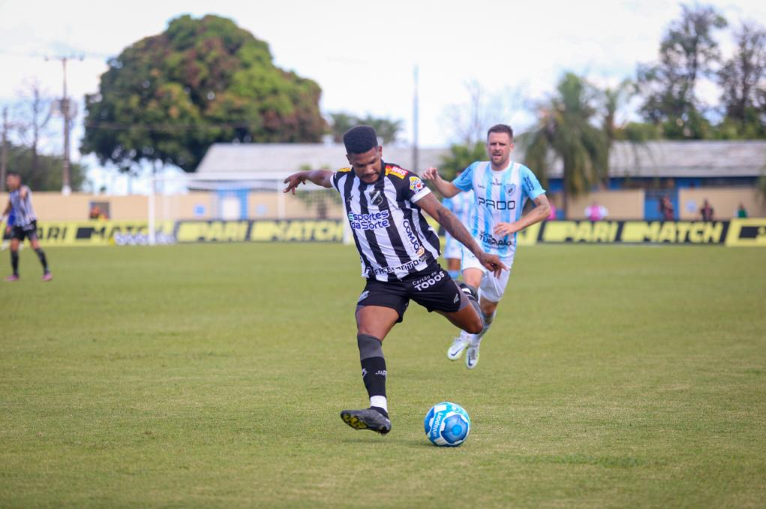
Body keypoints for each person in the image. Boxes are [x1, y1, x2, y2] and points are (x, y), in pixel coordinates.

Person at [283, 125, 506, 435]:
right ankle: (379, 410)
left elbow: (442, 214)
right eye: (360, 165)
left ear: (381, 153)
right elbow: (325, 176)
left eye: (373, 161)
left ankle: (465, 288)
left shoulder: (403, 180)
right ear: (350, 160)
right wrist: (305, 175)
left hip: (424, 273)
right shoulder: (346, 179)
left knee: (474, 325)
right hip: (383, 282)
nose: (368, 169)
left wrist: (479, 254)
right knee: (367, 332)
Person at [422, 124, 550, 369]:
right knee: (470, 283)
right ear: (487, 145)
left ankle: (477, 339)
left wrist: (515, 226)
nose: (497, 148)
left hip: (504, 251)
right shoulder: (476, 170)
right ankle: (463, 334)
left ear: (511, 146)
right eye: (493, 143)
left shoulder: (522, 174)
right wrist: (436, 178)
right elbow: (449, 191)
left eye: (502, 144)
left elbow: (544, 208)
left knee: (489, 309)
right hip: (476, 242)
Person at [2, 172, 52, 281]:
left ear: (17, 180)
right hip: (18, 223)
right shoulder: (11, 194)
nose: (8, 182)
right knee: (13, 246)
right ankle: (15, 274)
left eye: (10, 180)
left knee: (35, 246)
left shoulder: (24, 189)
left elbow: (24, 192)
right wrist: (2, 218)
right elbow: (9, 207)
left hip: (29, 222)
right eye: (7, 180)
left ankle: (47, 272)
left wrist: (22, 194)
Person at [441, 170, 474, 280]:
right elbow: (443, 213)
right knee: (453, 269)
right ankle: (452, 294)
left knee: (473, 270)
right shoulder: (450, 195)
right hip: (454, 236)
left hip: (473, 235)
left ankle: (471, 295)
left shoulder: (476, 193)